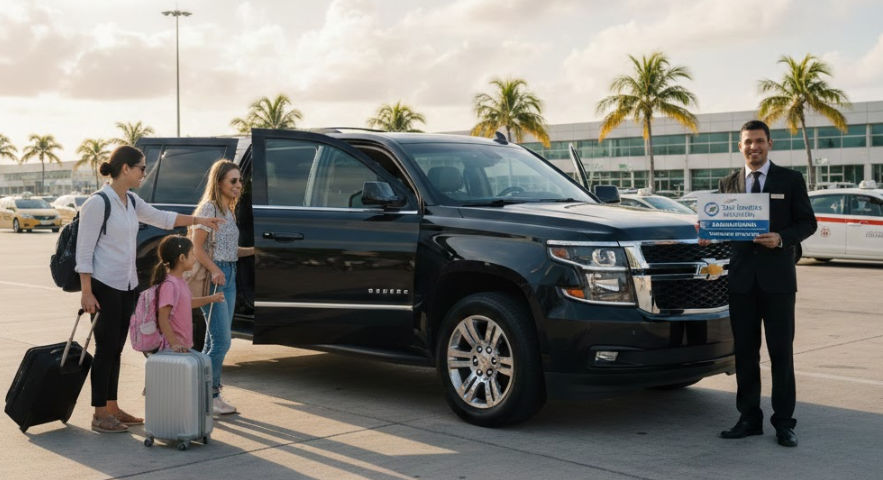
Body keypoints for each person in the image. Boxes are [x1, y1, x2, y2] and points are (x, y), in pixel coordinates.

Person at [76, 145, 224, 433]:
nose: (145, 173)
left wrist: (199, 220)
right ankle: (99, 414)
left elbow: (163, 218)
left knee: (116, 349)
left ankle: (112, 407)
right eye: (142, 168)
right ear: (125, 168)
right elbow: (84, 251)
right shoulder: (97, 203)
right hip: (104, 286)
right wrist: (86, 291)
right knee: (105, 349)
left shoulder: (130, 201)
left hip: (127, 285)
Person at [714, 120, 817, 447]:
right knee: (745, 354)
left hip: (778, 283)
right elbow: (726, 231)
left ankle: (784, 422)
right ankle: (749, 418)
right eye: (748, 142)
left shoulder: (790, 179)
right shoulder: (728, 183)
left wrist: (781, 238)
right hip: (741, 283)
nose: (753, 147)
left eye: (759, 141)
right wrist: (709, 234)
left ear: (769, 143)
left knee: (781, 354)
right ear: (740, 146)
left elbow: (808, 223)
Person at [191, 159, 254, 415]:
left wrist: (254, 251)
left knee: (212, 341)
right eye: (233, 181)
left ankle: (199, 394)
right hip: (213, 277)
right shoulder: (209, 208)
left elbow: (229, 250)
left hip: (229, 273)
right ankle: (212, 395)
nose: (239, 185)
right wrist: (215, 269)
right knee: (221, 342)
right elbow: (196, 247)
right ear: (219, 183)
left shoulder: (229, 209)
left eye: (240, 181)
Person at [151, 235, 224, 353]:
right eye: (192, 254)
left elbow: (187, 303)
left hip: (183, 345)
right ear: (182, 258)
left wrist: (211, 298)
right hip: (172, 349)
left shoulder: (180, 281)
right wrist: (174, 344)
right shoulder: (169, 285)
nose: (195, 258)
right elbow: (163, 318)